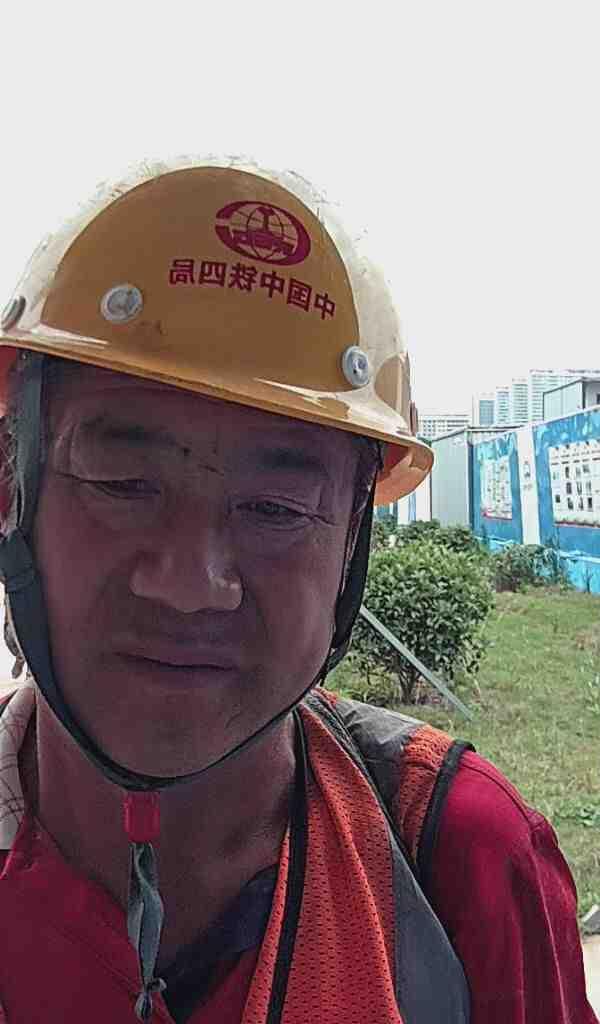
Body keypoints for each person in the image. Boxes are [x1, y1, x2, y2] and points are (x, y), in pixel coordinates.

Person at [0, 158, 594, 1024]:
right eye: (123, 483)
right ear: (11, 493)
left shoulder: (465, 862)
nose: (191, 585)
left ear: (352, 540)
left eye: (277, 508)